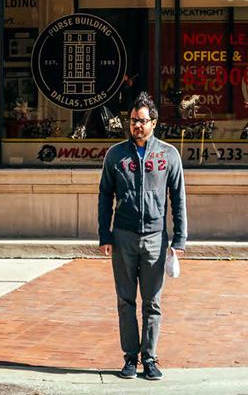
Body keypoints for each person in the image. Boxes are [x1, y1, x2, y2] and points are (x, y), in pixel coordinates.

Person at [98, 92, 188, 381]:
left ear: (154, 123)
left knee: (152, 303)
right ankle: (129, 359)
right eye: (133, 120)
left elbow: (178, 197)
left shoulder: (168, 154)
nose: (137, 125)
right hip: (123, 236)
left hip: (155, 238)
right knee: (125, 300)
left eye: (142, 121)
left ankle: (149, 359)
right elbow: (104, 196)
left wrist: (180, 239)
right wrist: (104, 235)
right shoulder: (115, 154)